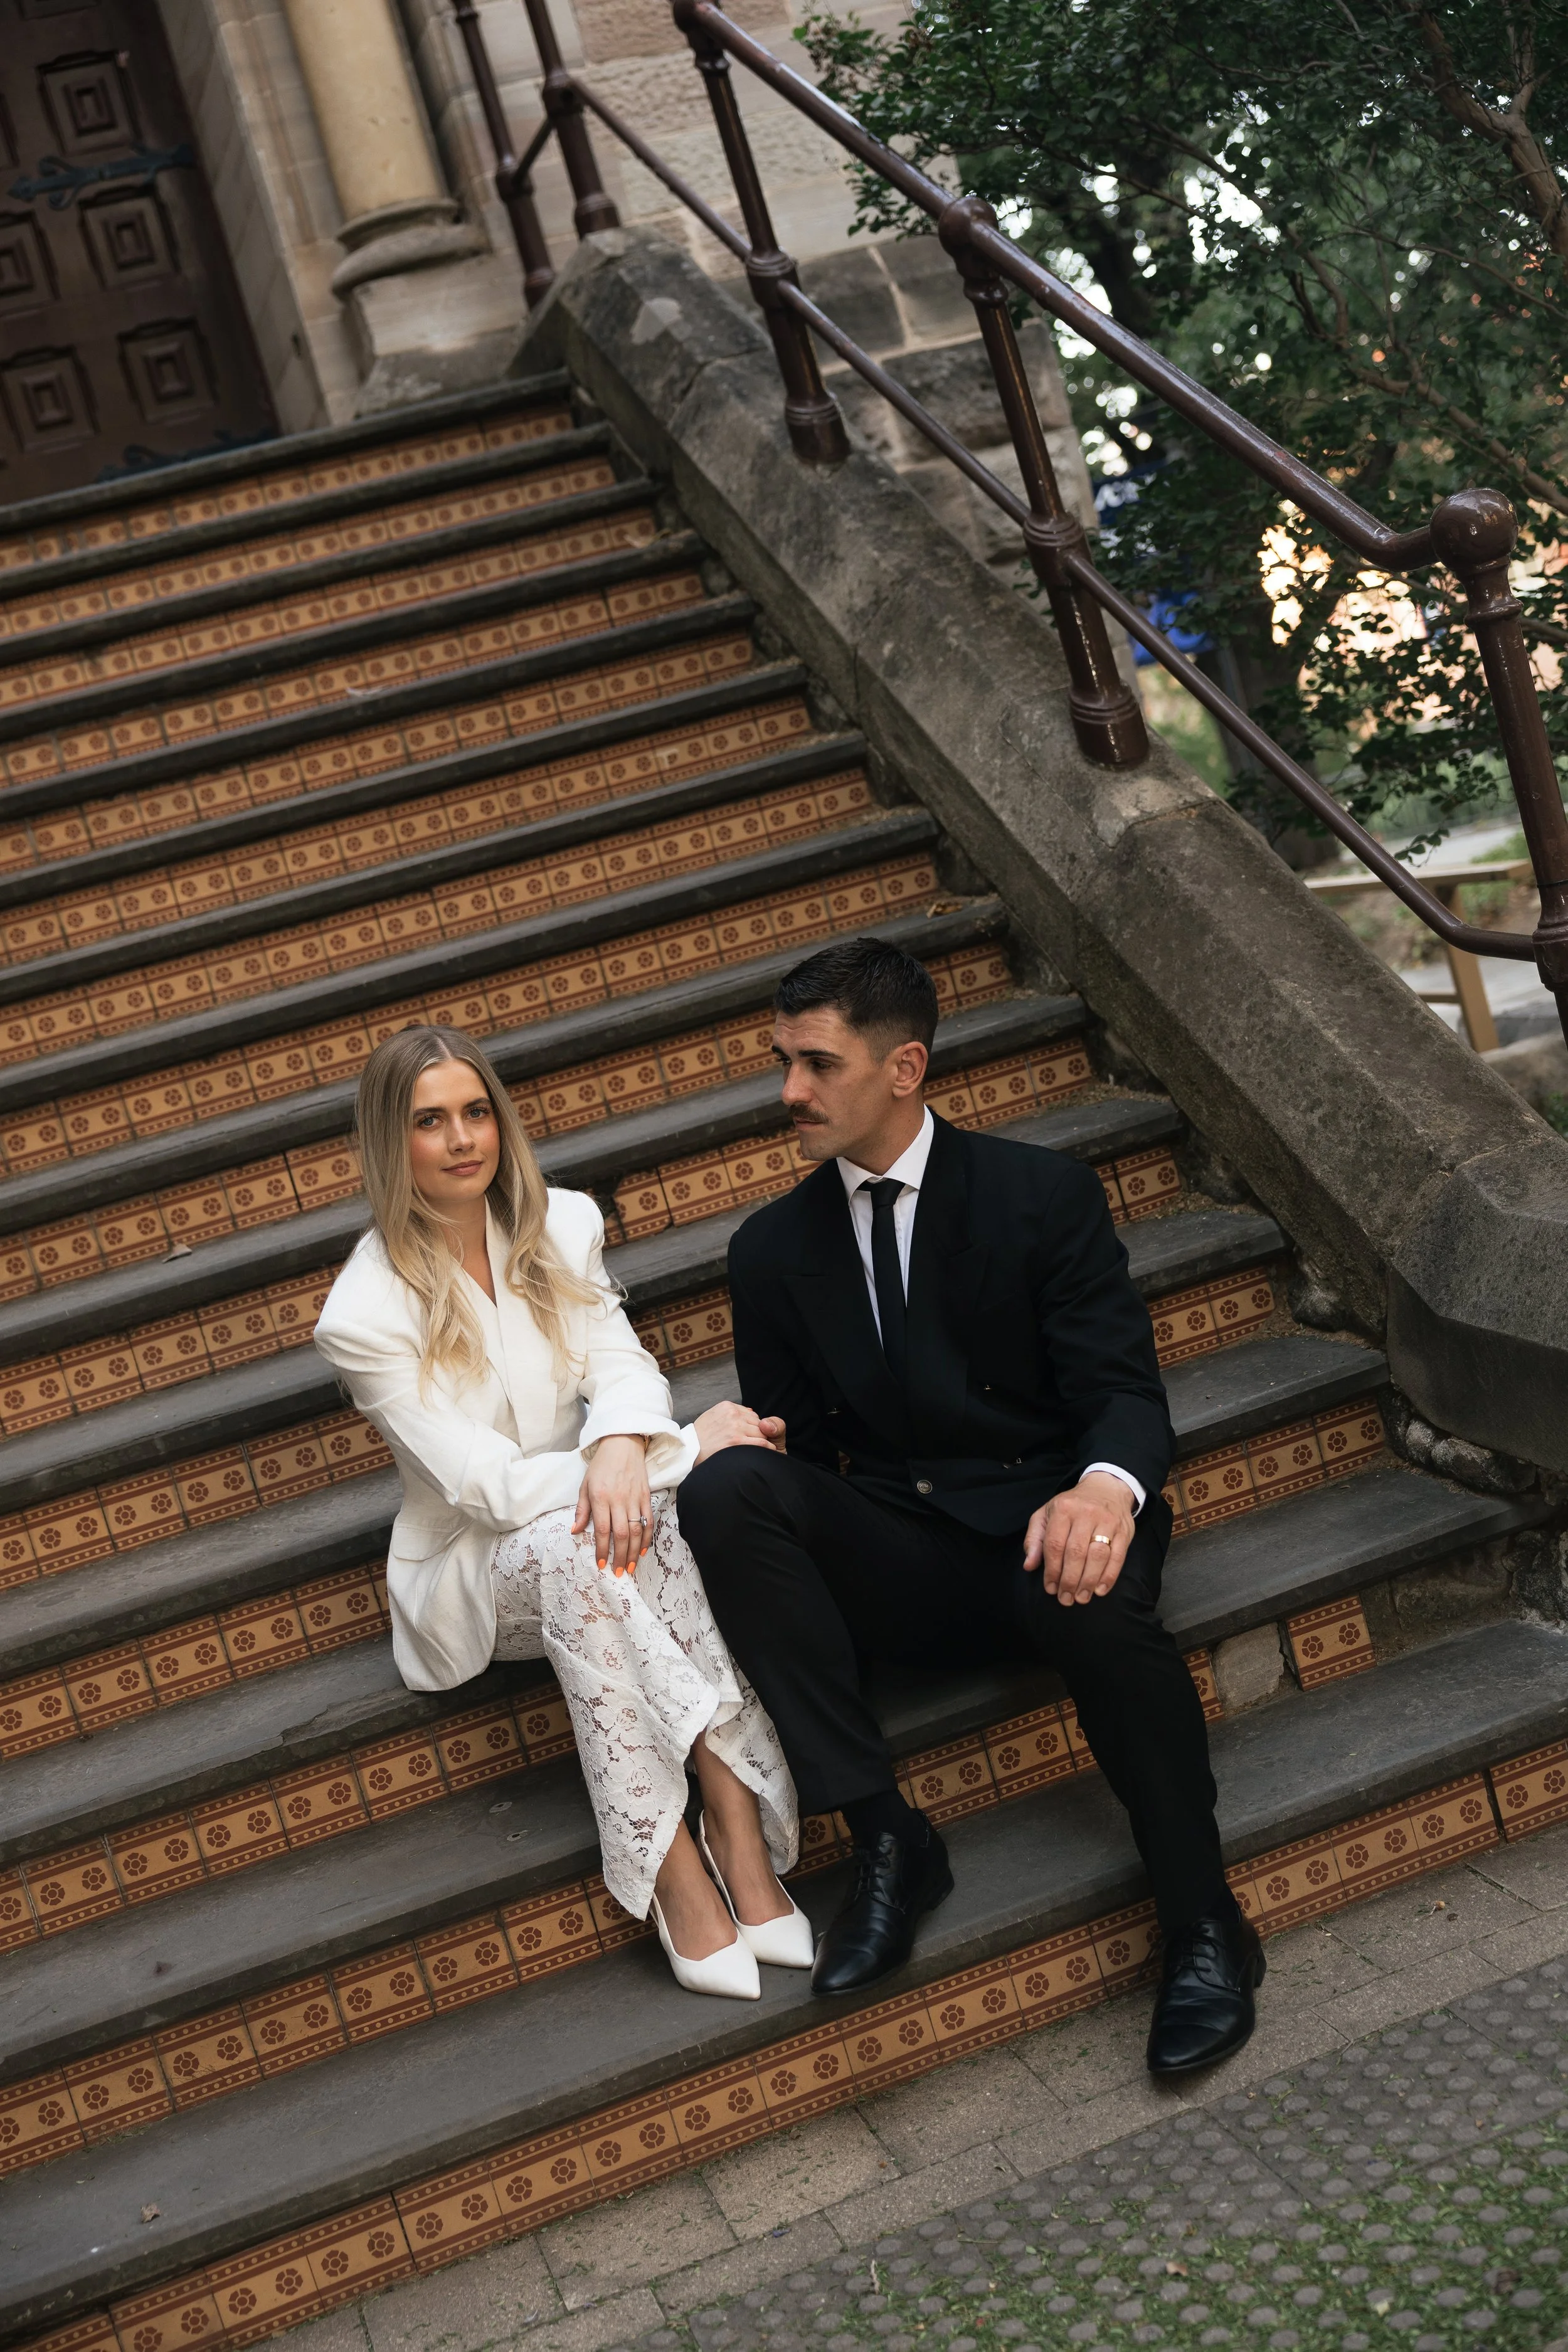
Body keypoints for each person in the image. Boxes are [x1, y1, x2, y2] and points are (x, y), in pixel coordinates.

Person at [676, 938, 1263, 2073]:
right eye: (782, 1061)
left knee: (1093, 1600)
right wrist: (757, 1441)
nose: (789, 1091)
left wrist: (1103, 1489)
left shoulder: (1041, 1197)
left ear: (904, 1068)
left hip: (1051, 1533)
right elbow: (802, 1449)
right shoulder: (769, 1251)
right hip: (905, 1554)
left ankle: (1204, 1922)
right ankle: (889, 1834)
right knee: (732, 1479)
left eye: (816, 1063)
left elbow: (1123, 1393)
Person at [314, 1023, 813, 2001]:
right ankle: (685, 1854)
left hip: (587, 1535)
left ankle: (726, 1819)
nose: (463, 1138)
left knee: (635, 1530)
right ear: (391, 1141)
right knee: (601, 1539)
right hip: (477, 1568)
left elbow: (622, 1365)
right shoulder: (363, 1314)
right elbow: (486, 1487)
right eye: (429, 1121)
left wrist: (629, 1444)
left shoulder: (561, 1225)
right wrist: (678, 1449)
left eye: (475, 1112)